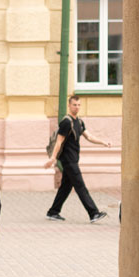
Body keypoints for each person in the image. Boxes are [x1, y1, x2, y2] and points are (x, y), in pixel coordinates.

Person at [44, 94, 110, 223]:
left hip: (73, 159)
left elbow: (89, 137)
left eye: (79, 105)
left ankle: (53, 212)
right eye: (74, 105)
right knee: (80, 186)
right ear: (69, 105)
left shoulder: (78, 122)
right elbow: (58, 142)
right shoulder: (66, 122)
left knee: (65, 187)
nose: (77, 107)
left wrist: (103, 142)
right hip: (68, 160)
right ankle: (93, 213)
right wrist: (53, 158)